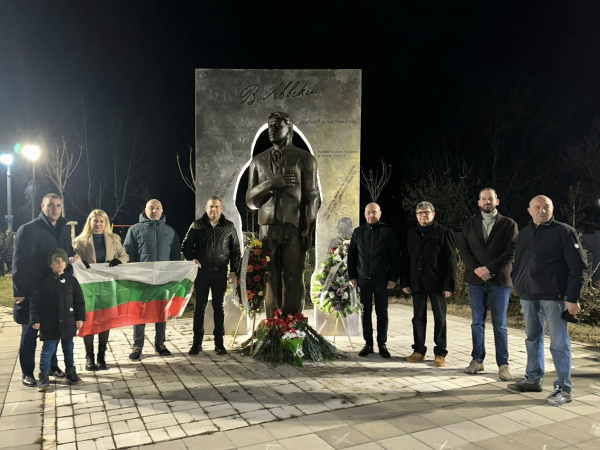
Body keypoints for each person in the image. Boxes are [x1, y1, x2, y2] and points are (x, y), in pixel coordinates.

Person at [508, 195, 587, 406]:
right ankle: (533, 379)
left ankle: (563, 389)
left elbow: (579, 268)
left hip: (555, 298)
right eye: (537, 207)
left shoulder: (564, 232)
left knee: (559, 343)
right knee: (532, 338)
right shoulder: (525, 233)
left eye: (546, 207)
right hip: (529, 296)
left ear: (552, 209)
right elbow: (519, 262)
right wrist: (518, 283)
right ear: (529, 210)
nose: (541, 210)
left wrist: (573, 298)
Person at [246, 111, 321, 318]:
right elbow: (250, 200)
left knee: (293, 277)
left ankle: (293, 324)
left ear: (289, 129)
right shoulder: (258, 161)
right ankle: (273, 324)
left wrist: (309, 227)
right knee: (269, 278)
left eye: (276, 125)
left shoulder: (305, 159)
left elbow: (312, 196)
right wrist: (271, 183)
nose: (271, 129)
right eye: (269, 125)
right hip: (267, 228)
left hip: (294, 227)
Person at [12, 193, 79, 387]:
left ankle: (52, 367)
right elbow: (18, 263)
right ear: (42, 206)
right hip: (33, 293)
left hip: (55, 291)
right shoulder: (28, 229)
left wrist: (74, 255)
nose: (55, 209)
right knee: (29, 334)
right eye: (51, 205)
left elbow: (65, 253)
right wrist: (19, 292)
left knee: (53, 332)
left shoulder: (64, 229)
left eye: (58, 205)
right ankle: (27, 372)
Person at [461, 188, 518, 381]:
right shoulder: (470, 224)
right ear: (479, 202)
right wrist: (478, 269)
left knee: (499, 324)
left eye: (490, 199)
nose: (487, 202)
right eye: (483, 199)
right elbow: (464, 250)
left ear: (497, 201)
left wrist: (490, 269)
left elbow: (512, 251)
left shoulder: (509, 224)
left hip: (499, 280)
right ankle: (477, 360)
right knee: (477, 323)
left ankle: (503, 364)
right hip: (475, 280)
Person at [182, 196, 241, 355]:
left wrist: (233, 271)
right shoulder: (197, 225)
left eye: (216, 207)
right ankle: (197, 343)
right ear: (206, 208)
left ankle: (219, 343)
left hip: (220, 273)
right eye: (211, 207)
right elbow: (185, 246)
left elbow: (235, 250)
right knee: (199, 307)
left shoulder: (228, 226)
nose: (213, 209)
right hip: (201, 272)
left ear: (221, 208)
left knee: (219, 307)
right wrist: (191, 258)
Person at [124, 199, 181, 361]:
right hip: (142, 279)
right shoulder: (135, 230)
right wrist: (132, 275)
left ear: (162, 211)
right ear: (145, 210)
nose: (154, 211)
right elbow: (128, 253)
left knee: (161, 311)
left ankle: (160, 344)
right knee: (140, 312)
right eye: (151, 208)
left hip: (163, 279)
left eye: (157, 208)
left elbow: (175, 255)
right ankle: (137, 345)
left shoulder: (170, 231)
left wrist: (175, 275)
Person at [401, 201, 457, 368]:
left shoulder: (444, 233)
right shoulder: (411, 234)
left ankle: (440, 353)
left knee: (440, 318)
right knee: (418, 318)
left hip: (437, 283)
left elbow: (451, 261)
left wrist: (449, 285)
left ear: (433, 214)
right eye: (419, 213)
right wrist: (405, 281)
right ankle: (419, 350)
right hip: (417, 282)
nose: (422, 215)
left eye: (426, 212)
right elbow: (406, 260)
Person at [73, 209, 129, 370]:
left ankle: (101, 356)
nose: (98, 224)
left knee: (105, 319)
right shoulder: (80, 241)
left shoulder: (114, 239)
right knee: (88, 319)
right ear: (90, 222)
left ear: (105, 223)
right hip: (88, 286)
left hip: (107, 285)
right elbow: (74, 260)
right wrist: (79, 262)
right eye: (95, 221)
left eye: (101, 221)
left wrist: (119, 261)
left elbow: (125, 256)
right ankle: (89, 357)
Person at [348, 203, 400, 359]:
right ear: (365, 214)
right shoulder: (358, 232)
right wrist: (352, 276)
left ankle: (382, 344)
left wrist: (393, 278)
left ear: (380, 214)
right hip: (363, 280)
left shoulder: (388, 231)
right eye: (369, 212)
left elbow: (395, 256)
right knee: (365, 313)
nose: (371, 215)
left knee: (382, 313)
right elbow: (352, 256)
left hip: (381, 280)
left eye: (374, 212)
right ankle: (368, 344)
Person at [30, 248, 85, 391]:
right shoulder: (43, 283)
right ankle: (44, 376)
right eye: (56, 261)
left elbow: (79, 301)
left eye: (62, 261)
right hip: (49, 323)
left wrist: (79, 318)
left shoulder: (72, 281)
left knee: (69, 348)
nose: (60, 264)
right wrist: (35, 319)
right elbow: (35, 303)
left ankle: (71, 372)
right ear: (50, 264)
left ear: (66, 263)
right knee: (48, 349)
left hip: (68, 322)